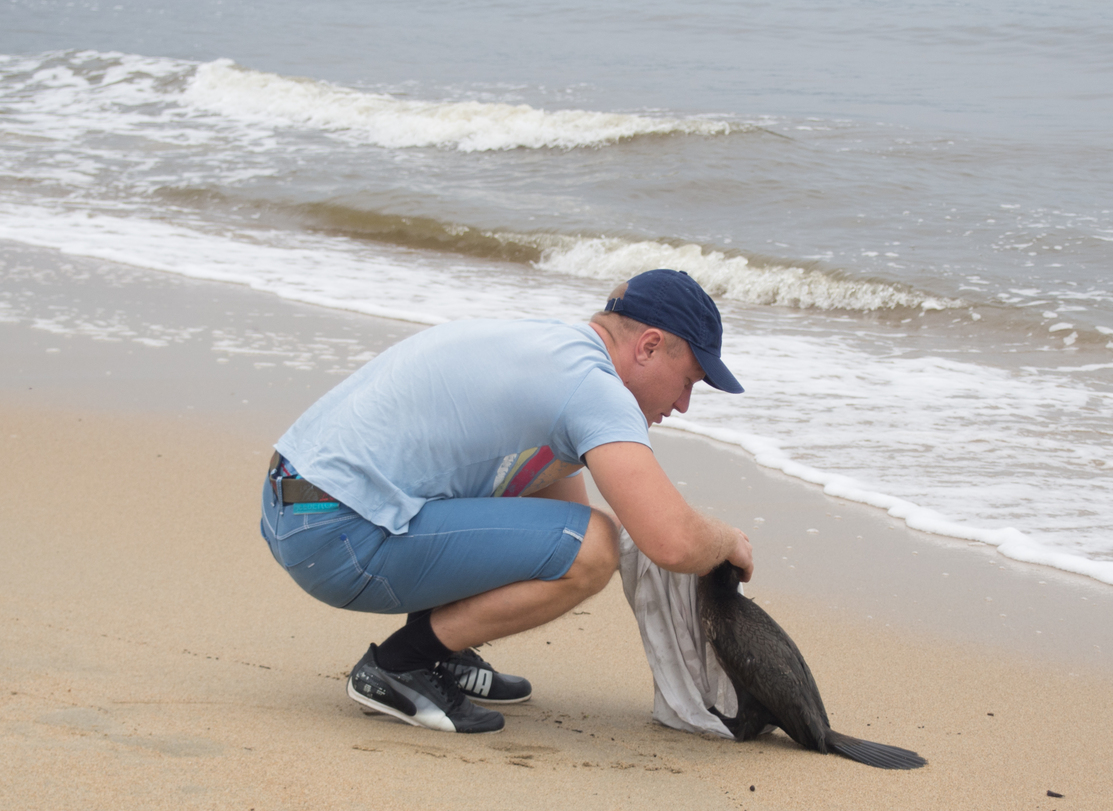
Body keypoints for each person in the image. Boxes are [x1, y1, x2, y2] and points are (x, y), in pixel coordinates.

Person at [261, 268, 755, 734]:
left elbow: (556, 522)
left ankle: (442, 650)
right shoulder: (593, 388)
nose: (684, 404)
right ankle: (399, 664)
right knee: (596, 548)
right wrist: (727, 541)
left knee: (574, 532)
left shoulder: (545, 346)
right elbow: (669, 543)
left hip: (296, 503)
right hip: (335, 535)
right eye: (689, 380)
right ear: (649, 346)